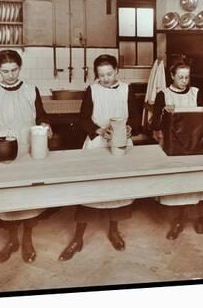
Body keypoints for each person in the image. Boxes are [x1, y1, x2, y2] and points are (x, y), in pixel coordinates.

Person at [59, 54, 142, 261]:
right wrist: (98, 130)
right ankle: (78, 237)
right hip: (97, 143)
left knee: (118, 189)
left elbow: (134, 116)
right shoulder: (92, 90)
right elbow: (83, 119)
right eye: (101, 75)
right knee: (88, 190)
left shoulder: (126, 89)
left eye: (109, 74)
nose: (105, 78)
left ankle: (114, 230)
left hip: (121, 145)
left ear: (117, 71)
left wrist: (130, 127)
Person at [0, 49, 52, 263]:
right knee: (7, 199)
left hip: (29, 148)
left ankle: (27, 238)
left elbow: (42, 116)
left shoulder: (30, 90)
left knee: (29, 197)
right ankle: (12, 239)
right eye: (5, 71)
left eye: (14, 70)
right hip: (3, 151)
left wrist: (46, 125)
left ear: (20, 67)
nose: (10, 75)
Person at [149, 61, 203, 240]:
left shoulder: (196, 92)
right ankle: (178, 221)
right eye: (180, 77)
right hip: (173, 146)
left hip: (195, 145)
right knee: (179, 185)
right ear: (172, 76)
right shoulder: (163, 95)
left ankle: (198, 218)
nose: (184, 81)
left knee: (196, 184)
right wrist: (164, 112)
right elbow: (154, 124)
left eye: (187, 77)